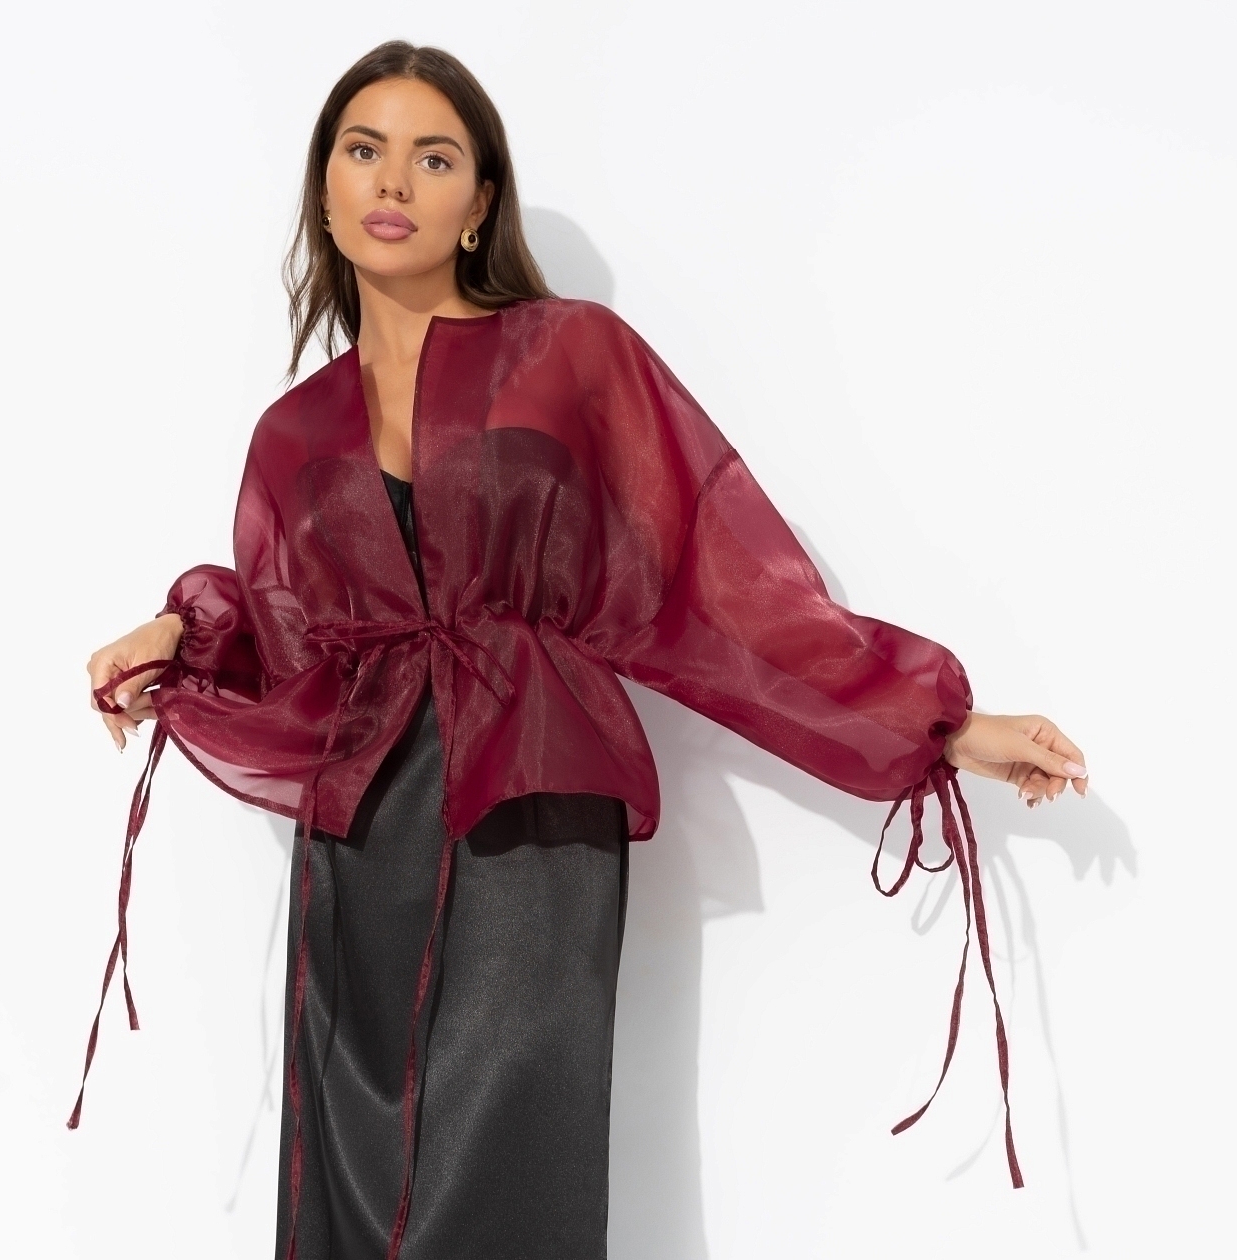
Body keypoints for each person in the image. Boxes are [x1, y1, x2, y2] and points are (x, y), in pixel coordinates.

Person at [77, 40, 1087, 1260]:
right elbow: (292, 638)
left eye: (433, 157)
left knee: (512, 1134)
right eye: (364, 149)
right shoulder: (292, 431)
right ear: (326, 189)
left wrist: (937, 723)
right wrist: (177, 635)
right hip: (363, 822)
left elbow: (720, 576)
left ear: (478, 203)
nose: (392, 179)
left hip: (531, 787)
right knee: (350, 1143)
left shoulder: (569, 354)